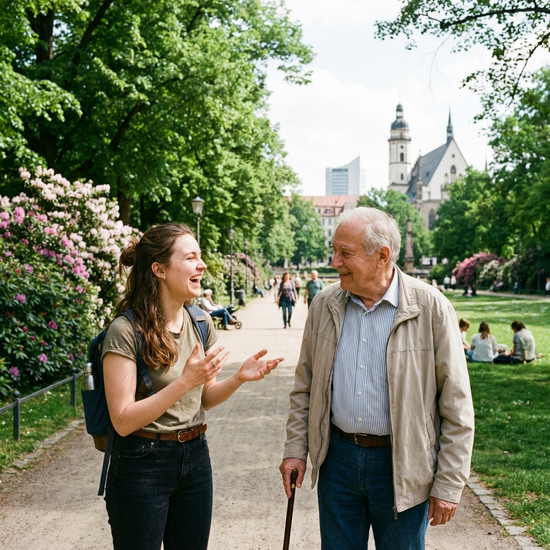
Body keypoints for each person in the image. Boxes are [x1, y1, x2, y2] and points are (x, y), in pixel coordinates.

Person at [280, 207, 474, 550]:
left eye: (345, 253)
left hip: (402, 462)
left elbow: (456, 406)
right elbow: (305, 388)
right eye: (335, 251)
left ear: (381, 256)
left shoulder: (431, 307)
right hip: (337, 460)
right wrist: (296, 450)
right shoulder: (324, 304)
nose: (334, 261)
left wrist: (448, 484)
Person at [102, 223, 283, 550]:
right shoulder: (125, 331)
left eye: (200, 256)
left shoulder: (200, 320)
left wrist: (239, 378)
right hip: (143, 463)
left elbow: (205, 398)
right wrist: (186, 380)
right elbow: (123, 420)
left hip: (195, 456)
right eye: (191, 257)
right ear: (159, 269)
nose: (202, 265)